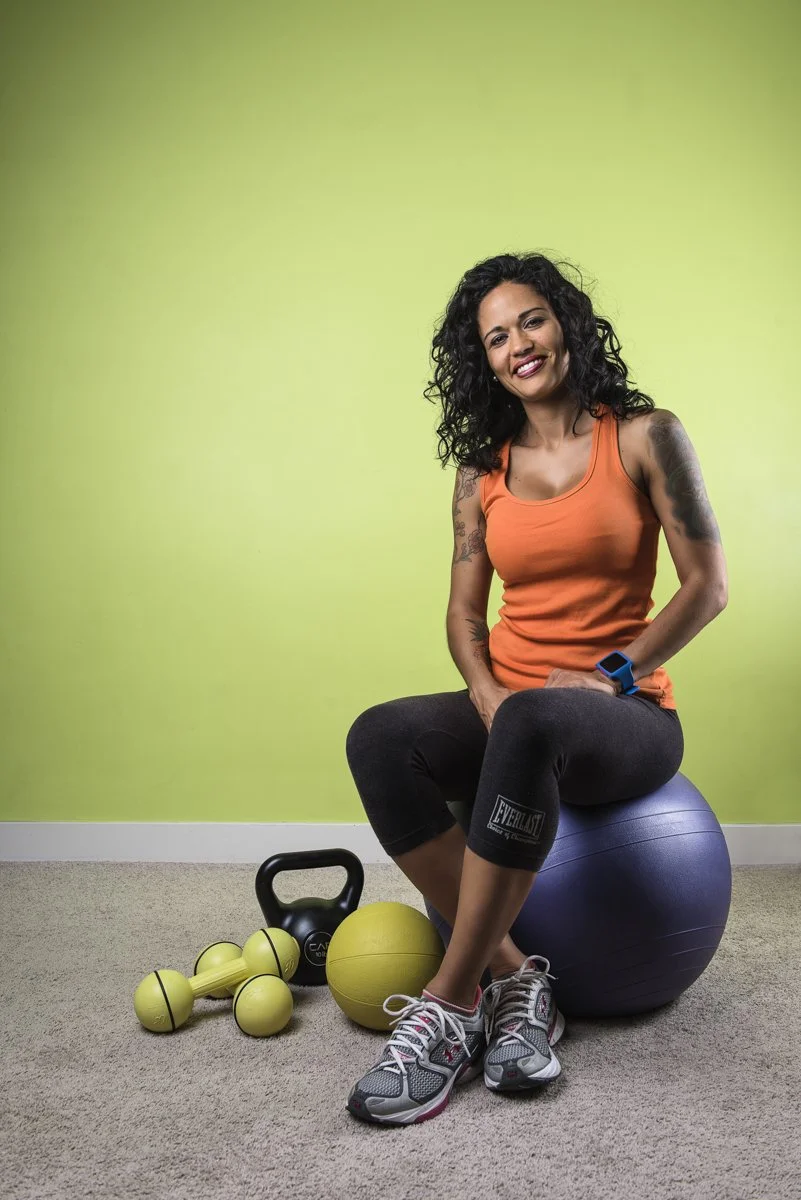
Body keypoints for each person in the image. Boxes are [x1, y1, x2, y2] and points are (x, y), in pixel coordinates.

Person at [343, 252, 728, 1126]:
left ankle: (449, 1005)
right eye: (495, 338)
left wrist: (611, 674)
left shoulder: (643, 436)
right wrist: (482, 689)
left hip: (625, 716)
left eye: (531, 320)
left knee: (532, 720)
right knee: (380, 736)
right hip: (516, 706)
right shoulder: (480, 471)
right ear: (481, 361)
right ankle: (518, 982)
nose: (517, 344)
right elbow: (462, 613)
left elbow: (707, 586)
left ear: (566, 324)